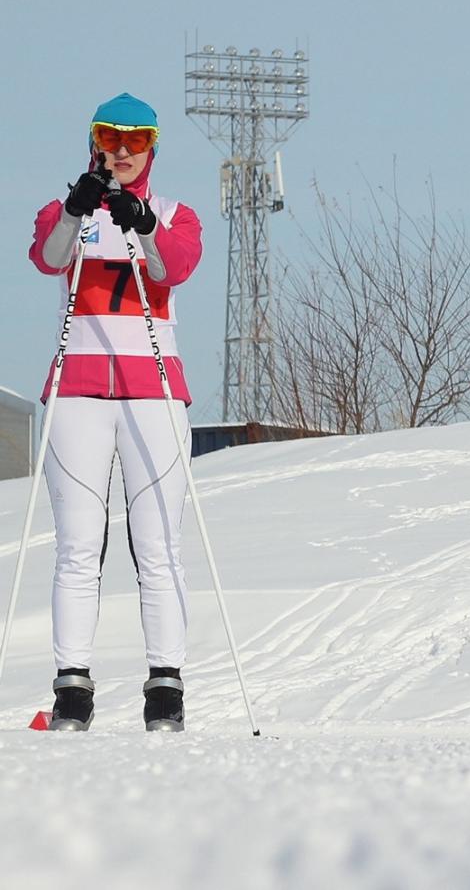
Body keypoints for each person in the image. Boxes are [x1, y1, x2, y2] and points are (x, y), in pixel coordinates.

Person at [25, 93, 204, 732]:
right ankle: (72, 686)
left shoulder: (176, 213)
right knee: (77, 546)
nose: (123, 152)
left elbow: (173, 268)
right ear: (95, 141)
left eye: (136, 141)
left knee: (157, 545)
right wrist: (80, 209)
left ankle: (165, 687)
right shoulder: (62, 206)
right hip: (77, 389)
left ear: (153, 148)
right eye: (111, 138)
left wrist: (143, 223)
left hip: (152, 390)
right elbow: (48, 257)